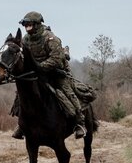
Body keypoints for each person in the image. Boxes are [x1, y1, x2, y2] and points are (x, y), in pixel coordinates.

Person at [12, 11, 86, 139]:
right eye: (25, 24)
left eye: (29, 24)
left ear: (36, 24)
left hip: (55, 72)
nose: (26, 26)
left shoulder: (50, 38)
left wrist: (40, 67)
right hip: (36, 74)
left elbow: (56, 59)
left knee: (67, 92)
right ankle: (22, 125)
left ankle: (79, 122)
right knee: (21, 94)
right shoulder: (25, 40)